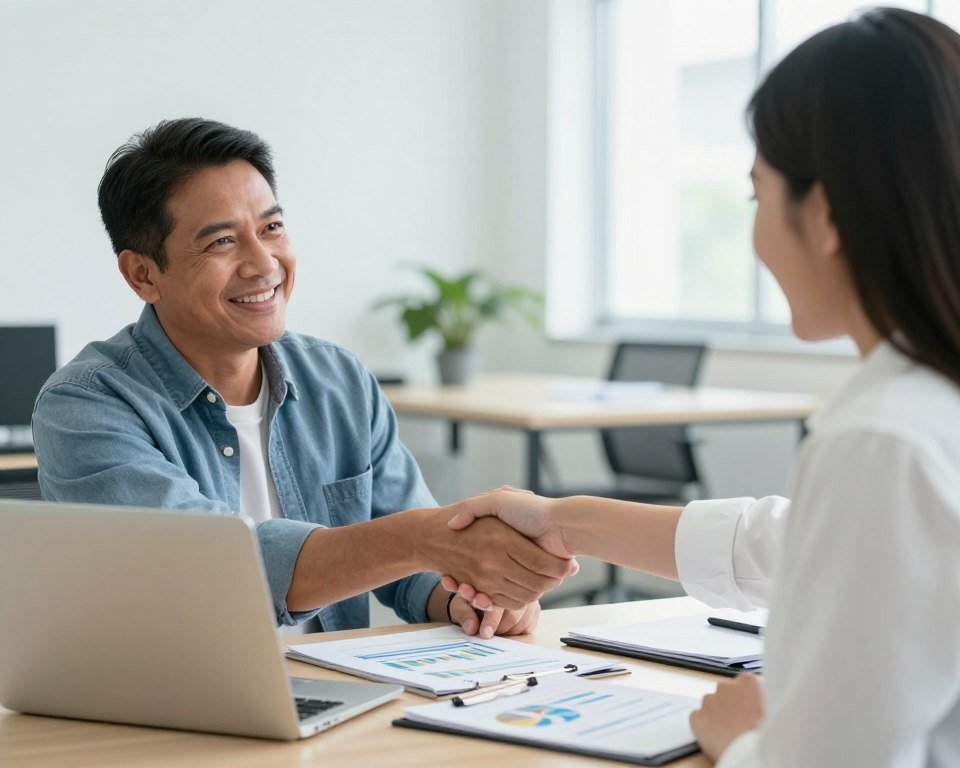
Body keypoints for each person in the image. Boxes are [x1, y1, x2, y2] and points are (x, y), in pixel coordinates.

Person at [440, 8, 960, 767]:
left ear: (823, 214)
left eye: (756, 196)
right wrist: (556, 517)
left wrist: (745, 737)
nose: (754, 237)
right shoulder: (923, 410)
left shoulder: (884, 440)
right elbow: (780, 545)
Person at [32, 118, 576, 640]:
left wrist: (473, 598)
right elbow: (219, 566)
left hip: (340, 694)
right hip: (184, 708)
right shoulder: (84, 406)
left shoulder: (339, 379)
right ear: (143, 274)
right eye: (222, 242)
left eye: (271, 227)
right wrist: (428, 540)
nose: (263, 263)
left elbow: (418, 570)